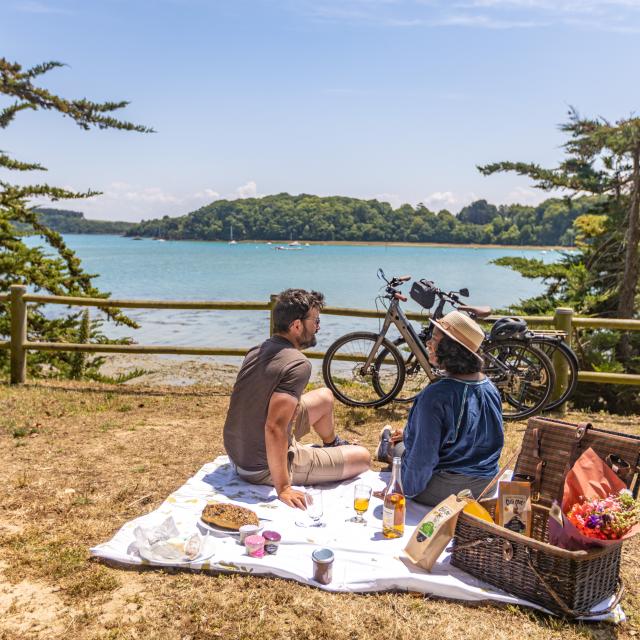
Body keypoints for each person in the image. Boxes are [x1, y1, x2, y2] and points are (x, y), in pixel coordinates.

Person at [223, 288, 371, 509]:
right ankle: (321, 457)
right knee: (363, 457)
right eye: (315, 321)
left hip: (239, 455)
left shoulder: (256, 350)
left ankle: (332, 444)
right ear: (296, 326)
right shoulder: (298, 363)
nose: (318, 327)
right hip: (260, 467)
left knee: (325, 397)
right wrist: (283, 487)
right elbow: (274, 427)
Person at [376, 310, 504, 506]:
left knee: (400, 449)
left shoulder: (436, 396)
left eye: (434, 339)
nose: (428, 343)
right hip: (487, 487)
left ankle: (386, 445)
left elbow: (422, 461)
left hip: (449, 491)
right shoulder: (490, 388)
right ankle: (394, 441)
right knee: (406, 441)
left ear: (451, 349)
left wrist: (400, 489)